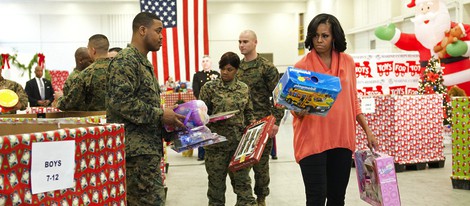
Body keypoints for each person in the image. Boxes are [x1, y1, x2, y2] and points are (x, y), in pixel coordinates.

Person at [293, 13, 378, 205]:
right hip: (312, 141)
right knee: (316, 198)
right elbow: (293, 106)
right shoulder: (302, 66)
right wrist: (299, 110)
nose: (319, 40)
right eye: (315, 36)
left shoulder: (347, 62)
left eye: (325, 36)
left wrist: (368, 131)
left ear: (335, 37)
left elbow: (353, 100)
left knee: (337, 198)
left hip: (342, 139)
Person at [106, 12, 185, 205]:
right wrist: (160, 114)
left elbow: (142, 104)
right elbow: (121, 102)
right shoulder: (126, 61)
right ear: (142, 30)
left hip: (146, 151)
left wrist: (168, 117)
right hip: (135, 153)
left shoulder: (142, 62)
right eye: (158, 31)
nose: (161, 36)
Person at [375, 0, 470, 94]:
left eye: (428, 7)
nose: (425, 12)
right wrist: (393, 35)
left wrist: (465, 47)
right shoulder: (421, 38)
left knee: (462, 106)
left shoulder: (457, 30)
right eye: (421, 9)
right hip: (431, 88)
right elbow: (407, 41)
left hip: (460, 85)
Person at [199, 51, 257, 206]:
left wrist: (253, 124)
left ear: (236, 70)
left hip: (239, 146)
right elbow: (200, 115)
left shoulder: (243, 88)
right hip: (215, 147)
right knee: (216, 191)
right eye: (222, 68)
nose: (225, 72)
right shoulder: (209, 88)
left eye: (229, 69)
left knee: (244, 188)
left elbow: (249, 112)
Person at [237, 29, 285, 206]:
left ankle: (261, 199)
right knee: (240, 167)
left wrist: (276, 121)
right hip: (241, 126)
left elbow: (279, 97)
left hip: (262, 125)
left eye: (245, 42)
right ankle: (244, 199)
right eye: (240, 42)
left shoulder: (267, 68)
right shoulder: (237, 68)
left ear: (255, 42)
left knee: (261, 167)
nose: (242, 45)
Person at [56, 34, 111, 111]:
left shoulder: (86, 74)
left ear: (93, 50)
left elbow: (70, 103)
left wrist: (59, 98)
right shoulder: (121, 69)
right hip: (120, 120)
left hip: (96, 120)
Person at [192, 55, 220, 161]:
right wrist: (202, 102)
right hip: (202, 106)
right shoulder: (197, 75)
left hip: (215, 105)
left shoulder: (217, 74)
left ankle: (215, 149)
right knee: (202, 128)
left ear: (211, 62)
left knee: (215, 128)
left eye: (207, 61)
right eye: (203, 61)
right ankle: (201, 153)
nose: (205, 63)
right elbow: (196, 90)